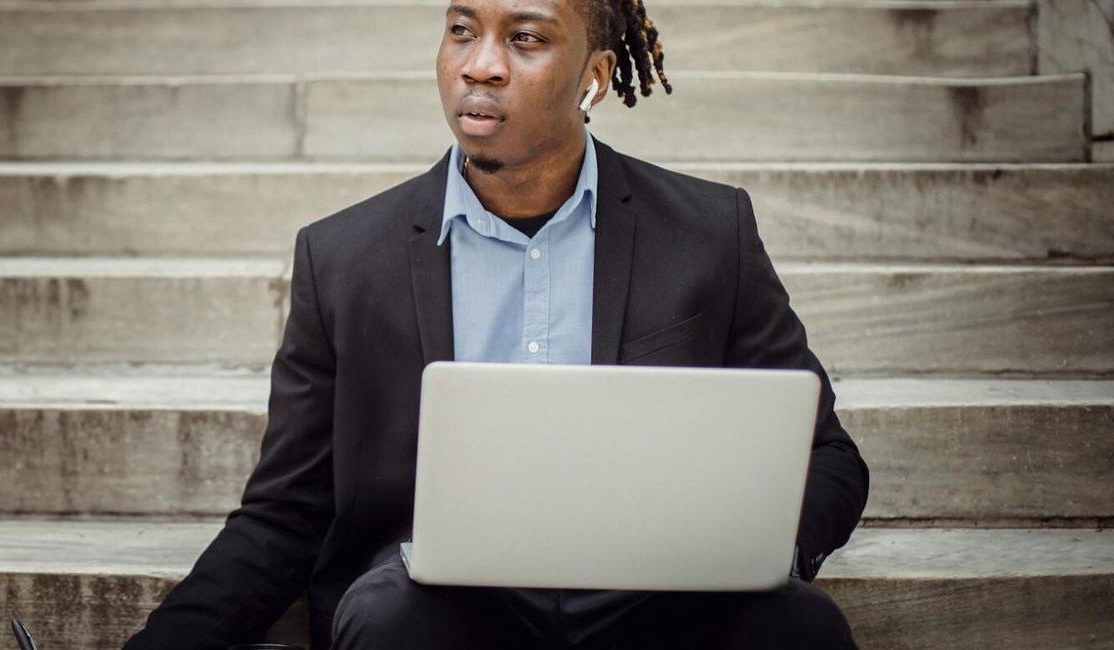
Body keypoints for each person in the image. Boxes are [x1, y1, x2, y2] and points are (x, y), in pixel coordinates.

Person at [124, 0, 869, 647]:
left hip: (661, 597)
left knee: (798, 626)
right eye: (460, 31)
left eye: (525, 38)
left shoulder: (708, 234)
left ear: (596, 77)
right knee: (385, 618)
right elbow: (287, 511)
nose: (480, 66)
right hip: (442, 609)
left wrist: (753, 556)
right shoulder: (344, 258)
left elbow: (828, 458)